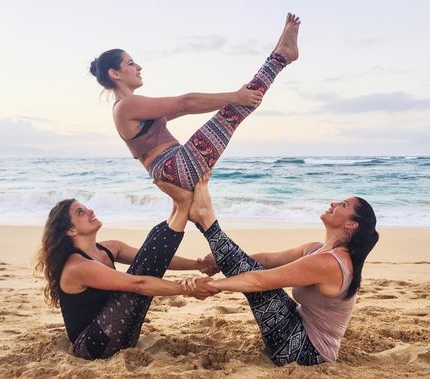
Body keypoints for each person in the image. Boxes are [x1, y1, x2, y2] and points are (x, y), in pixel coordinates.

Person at [178, 174, 379, 366]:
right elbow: (268, 260)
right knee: (257, 271)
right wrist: (220, 263)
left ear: (351, 224)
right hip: (297, 325)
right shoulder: (317, 249)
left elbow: (259, 282)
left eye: (342, 205)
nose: (333, 204)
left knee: (263, 285)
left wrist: (210, 285)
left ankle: (206, 219)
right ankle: (204, 218)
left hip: (306, 352)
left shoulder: (330, 263)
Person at [90, 13, 300, 190]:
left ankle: (280, 54)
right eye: (131, 63)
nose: (139, 67)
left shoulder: (130, 108)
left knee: (237, 106)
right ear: (114, 73)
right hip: (176, 167)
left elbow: (185, 109)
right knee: (236, 108)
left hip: (173, 169)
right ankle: (280, 56)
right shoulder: (126, 106)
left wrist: (233, 98)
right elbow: (186, 102)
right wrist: (235, 96)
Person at [35, 184, 217, 360]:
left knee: (150, 247)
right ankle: (183, 204)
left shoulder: (110, 248)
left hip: (121, 335)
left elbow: (157, 257)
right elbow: (137, 284)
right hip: (94, 347)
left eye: (86, 208)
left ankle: (180, 205)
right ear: (71, 230)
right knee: (142, 269)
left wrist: (200, 265)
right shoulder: (77, 266)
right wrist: (188, 289)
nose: (90, 211)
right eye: (80, 212)